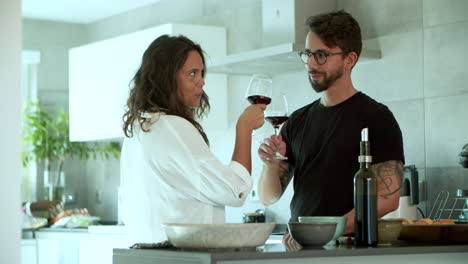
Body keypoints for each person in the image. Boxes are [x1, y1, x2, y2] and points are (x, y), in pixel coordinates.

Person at [257, 10, 404, 249]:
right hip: (300, 250)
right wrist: (270, 166)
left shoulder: (377, 118)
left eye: (322, 55)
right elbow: (268, 197)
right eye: (309, 54)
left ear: (349, 59)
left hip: (348, 250)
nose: (312, 64)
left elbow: (387, 200)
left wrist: (318, 233)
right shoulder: (297, 121)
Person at [120, 34, 266, 243]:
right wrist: (244, 129)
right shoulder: (173, 126)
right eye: (192, 73)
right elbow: (234, 191)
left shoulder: (139, 129)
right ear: (167, 77)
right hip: (184, 254)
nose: (201, 81)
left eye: (201, 73)